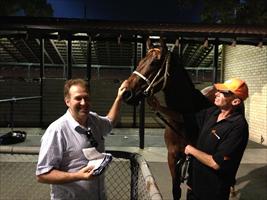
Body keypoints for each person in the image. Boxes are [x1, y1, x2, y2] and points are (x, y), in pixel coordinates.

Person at [36, 78, 128, 200]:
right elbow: (43, 175)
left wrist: (119, 98)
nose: (83, 103)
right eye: (78, 98)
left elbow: (109, 123)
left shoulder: (94, 120)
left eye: (86, 98)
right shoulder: (57, 130)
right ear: (67, 101)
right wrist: (78, 176)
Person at [185, 78, 249, 200]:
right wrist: (160, 108)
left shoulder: (238, 127)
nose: (216, 93)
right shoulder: (213, 113)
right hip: (194, 188)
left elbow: (216, 163)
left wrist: (191, 150)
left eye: (223, 93)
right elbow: (185, 119)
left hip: (213, 193)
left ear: (235, 101)